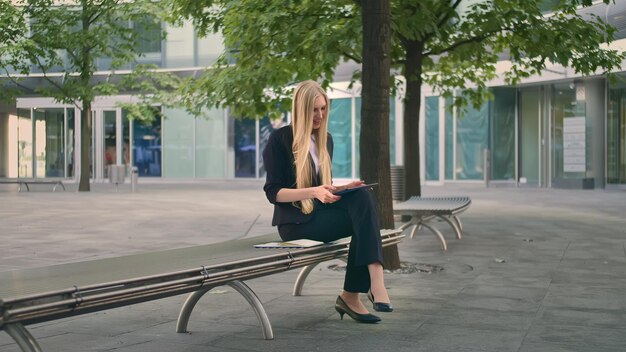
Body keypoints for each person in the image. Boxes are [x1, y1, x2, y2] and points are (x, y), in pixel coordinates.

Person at [262, 80, 393, 324]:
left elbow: (323, 188)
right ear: (301, 109)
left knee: (362, 196)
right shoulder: (280, 140)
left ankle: (373, 283)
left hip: (319, 215)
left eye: (323, 109)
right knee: (362, 219)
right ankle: (355, 295)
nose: (320, 115)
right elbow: (273, 193)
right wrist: (313, 192)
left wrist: (343, 189)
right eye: (314, 109)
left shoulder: (325, 139)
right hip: (296, 224)